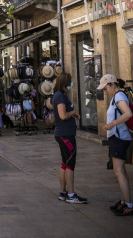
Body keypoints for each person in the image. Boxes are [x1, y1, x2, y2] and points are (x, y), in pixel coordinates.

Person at [99, 74, 133, 216]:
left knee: (119, 172)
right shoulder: (117, 97)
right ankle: (125, 201)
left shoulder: (119, 96)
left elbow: (128, 114)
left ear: (112, 84)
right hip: (117, 138)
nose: (104, 91)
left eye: (105, 87)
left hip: (120, 139)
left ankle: (129, 205)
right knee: (121, 171)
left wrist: (111, 125)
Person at [53, 72, 87, 204]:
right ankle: (71, 195)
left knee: (65, 163)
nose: (70, 84)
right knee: (70, 164)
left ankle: (63, 192)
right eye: (69, 82)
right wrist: (73, 113)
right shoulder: (60, 96)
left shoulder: (58, 95)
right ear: (65, 82)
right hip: (65, 134)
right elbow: (62, 115)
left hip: (63, 133)